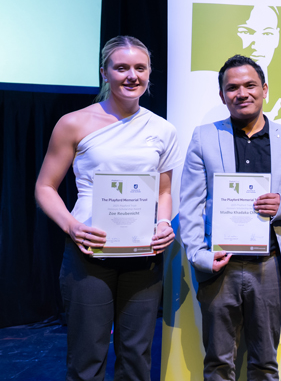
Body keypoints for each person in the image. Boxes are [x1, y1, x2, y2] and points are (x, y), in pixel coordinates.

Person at [35, 36, 181, 380]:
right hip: (89, 253)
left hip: (142, 254)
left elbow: (164, 192)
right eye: (121, 67)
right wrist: (72, 226)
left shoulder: (163, 129)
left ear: (149, 73)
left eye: (140, 68)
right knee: (87, 358)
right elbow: (44, 187)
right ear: (105, 73)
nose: (131, 75)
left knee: (136, 357)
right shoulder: (74, 123)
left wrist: (163, 224)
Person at [179, 54, 281, 380]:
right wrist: (199, 256)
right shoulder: (204, 137)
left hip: (269, 265)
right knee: (217, 363)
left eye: (249, 85)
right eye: (232, 87)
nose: (241, 93)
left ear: (264, 89)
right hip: (220, 265)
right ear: (222, 96)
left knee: (265, 363)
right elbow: (189, 205)